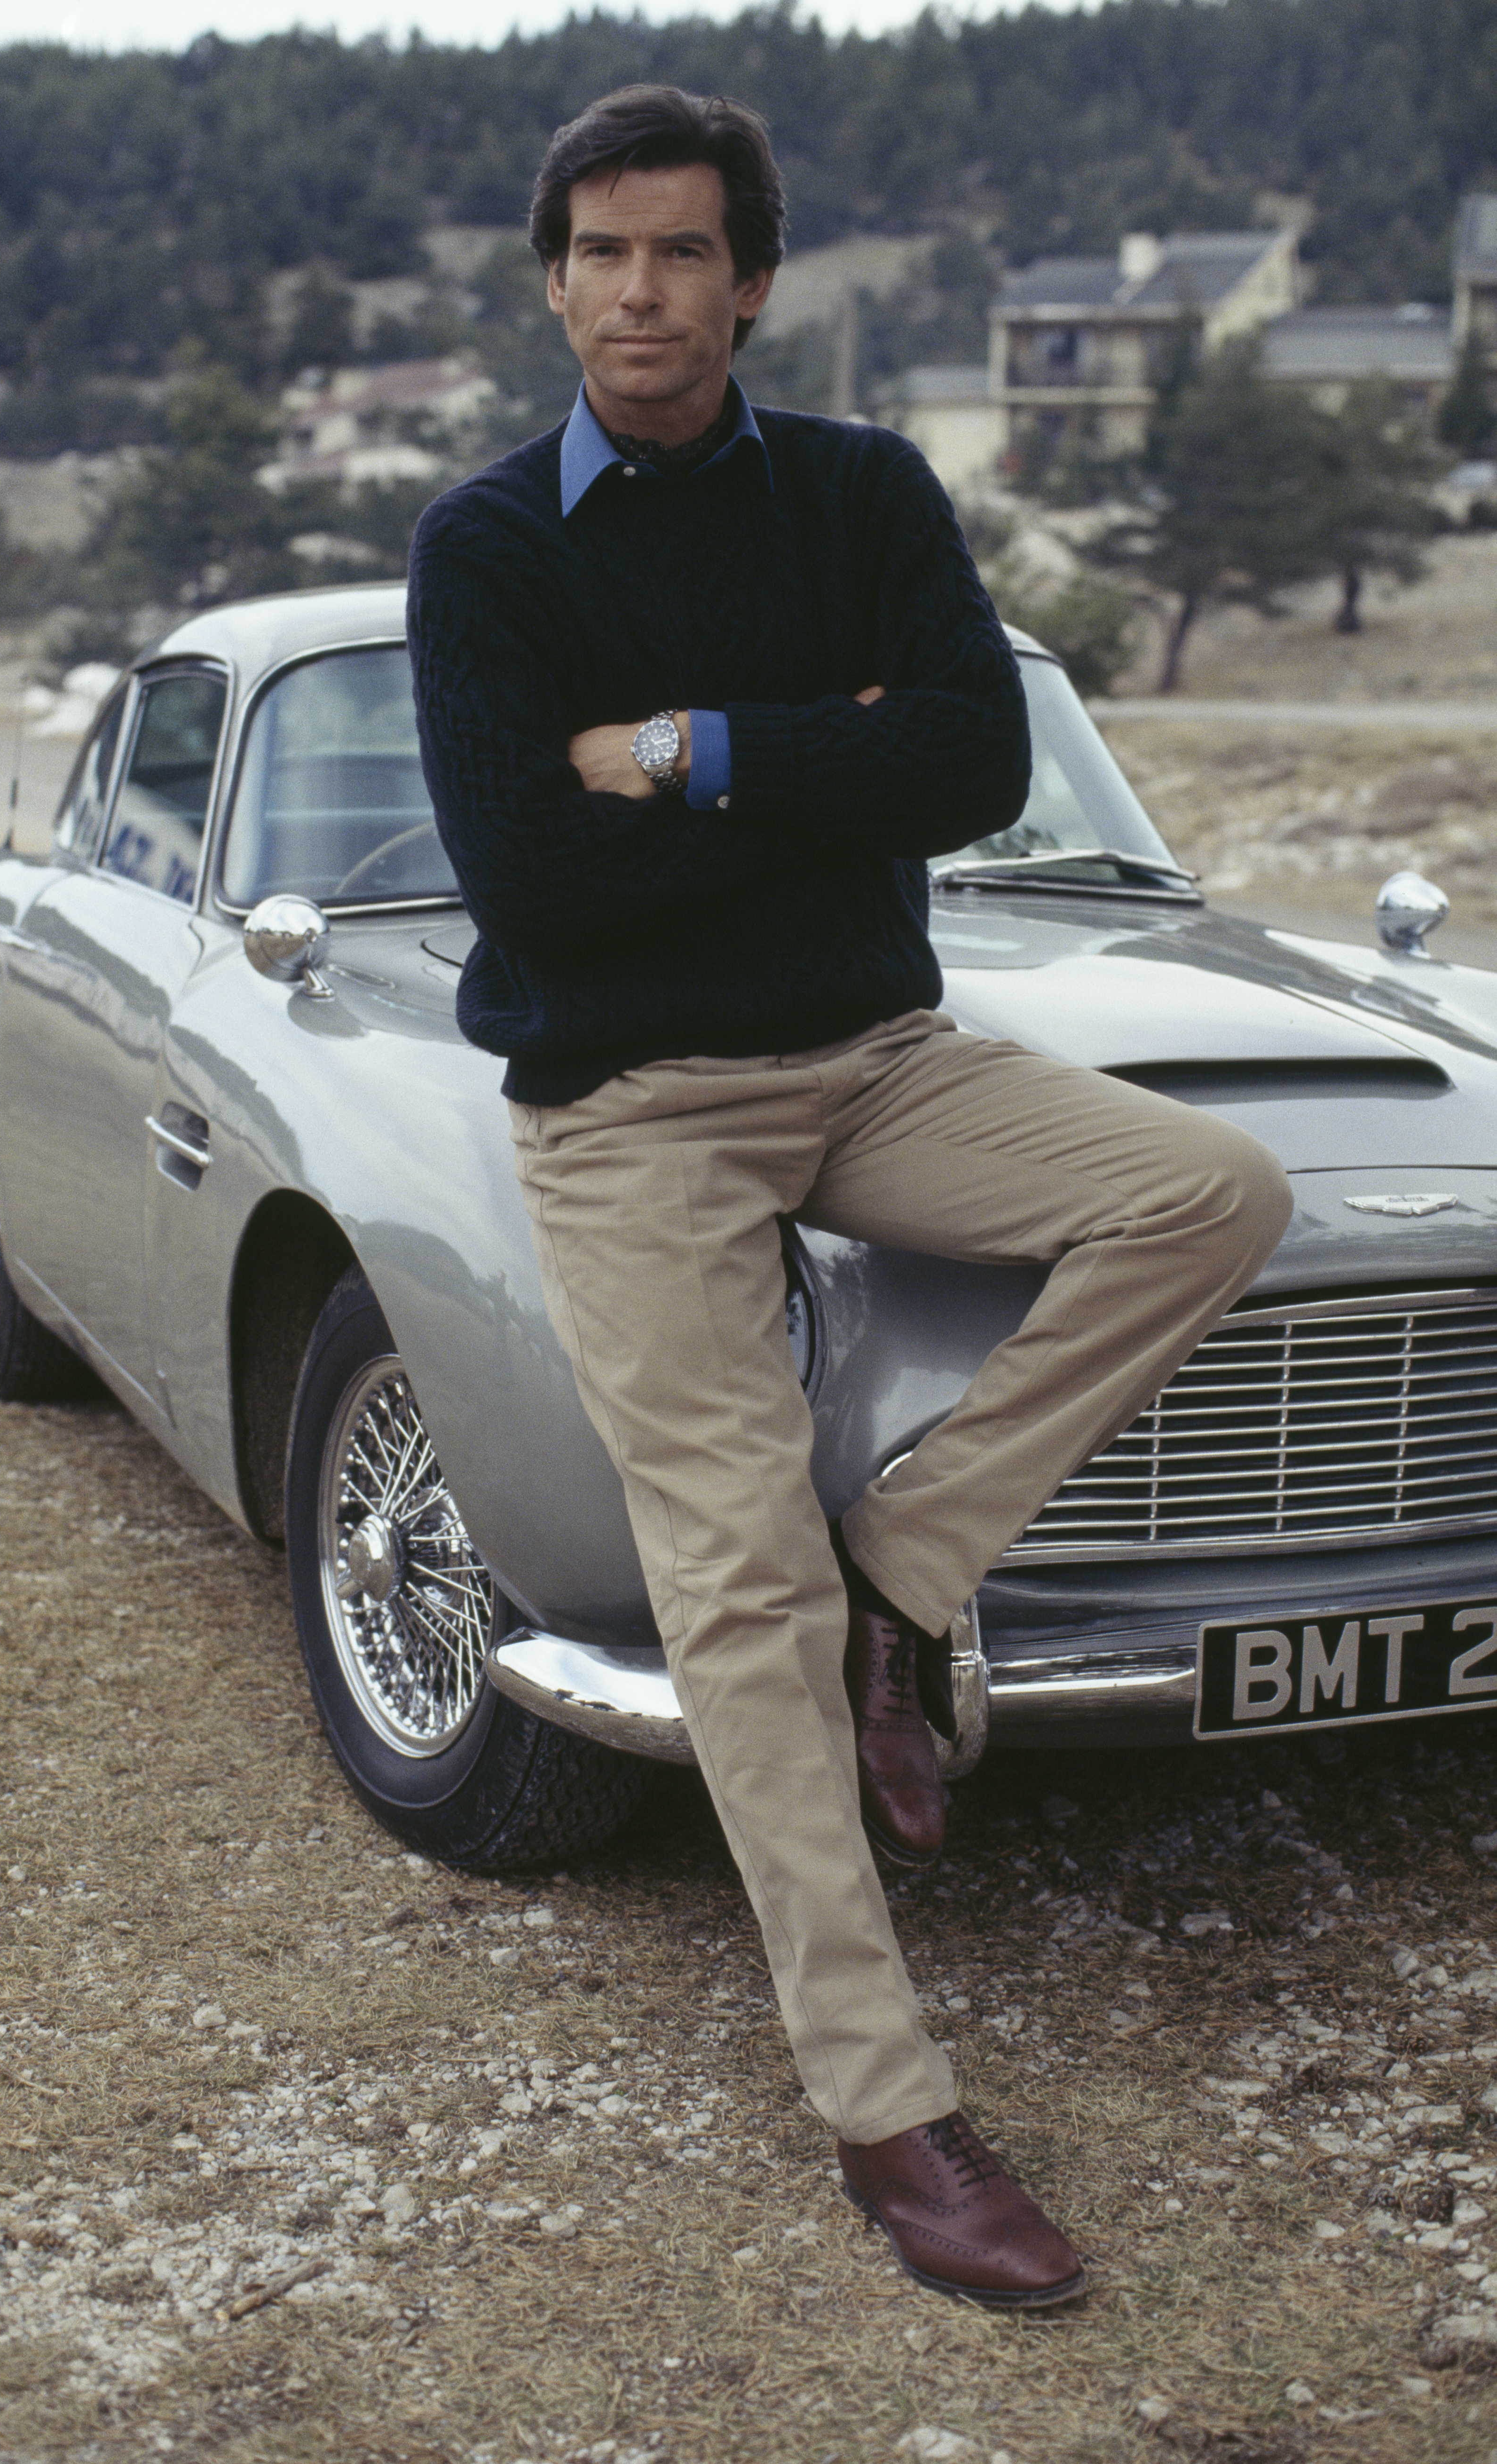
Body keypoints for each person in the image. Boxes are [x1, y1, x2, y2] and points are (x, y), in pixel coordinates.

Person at [408, 83, 1292, 2308]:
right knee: (732, 1592)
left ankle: (908, 1552)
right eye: (602, 253)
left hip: (875, 1055)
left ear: (754, 279)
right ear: (550, 279)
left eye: (683, 252)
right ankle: (883, 2108)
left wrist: (693, 749)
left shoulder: (866, 491)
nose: (639, 292)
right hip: (628, 1112)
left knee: (1206, 1191)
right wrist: (828, 754)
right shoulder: (490, 547)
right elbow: (531, 880)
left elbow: (971, 766)